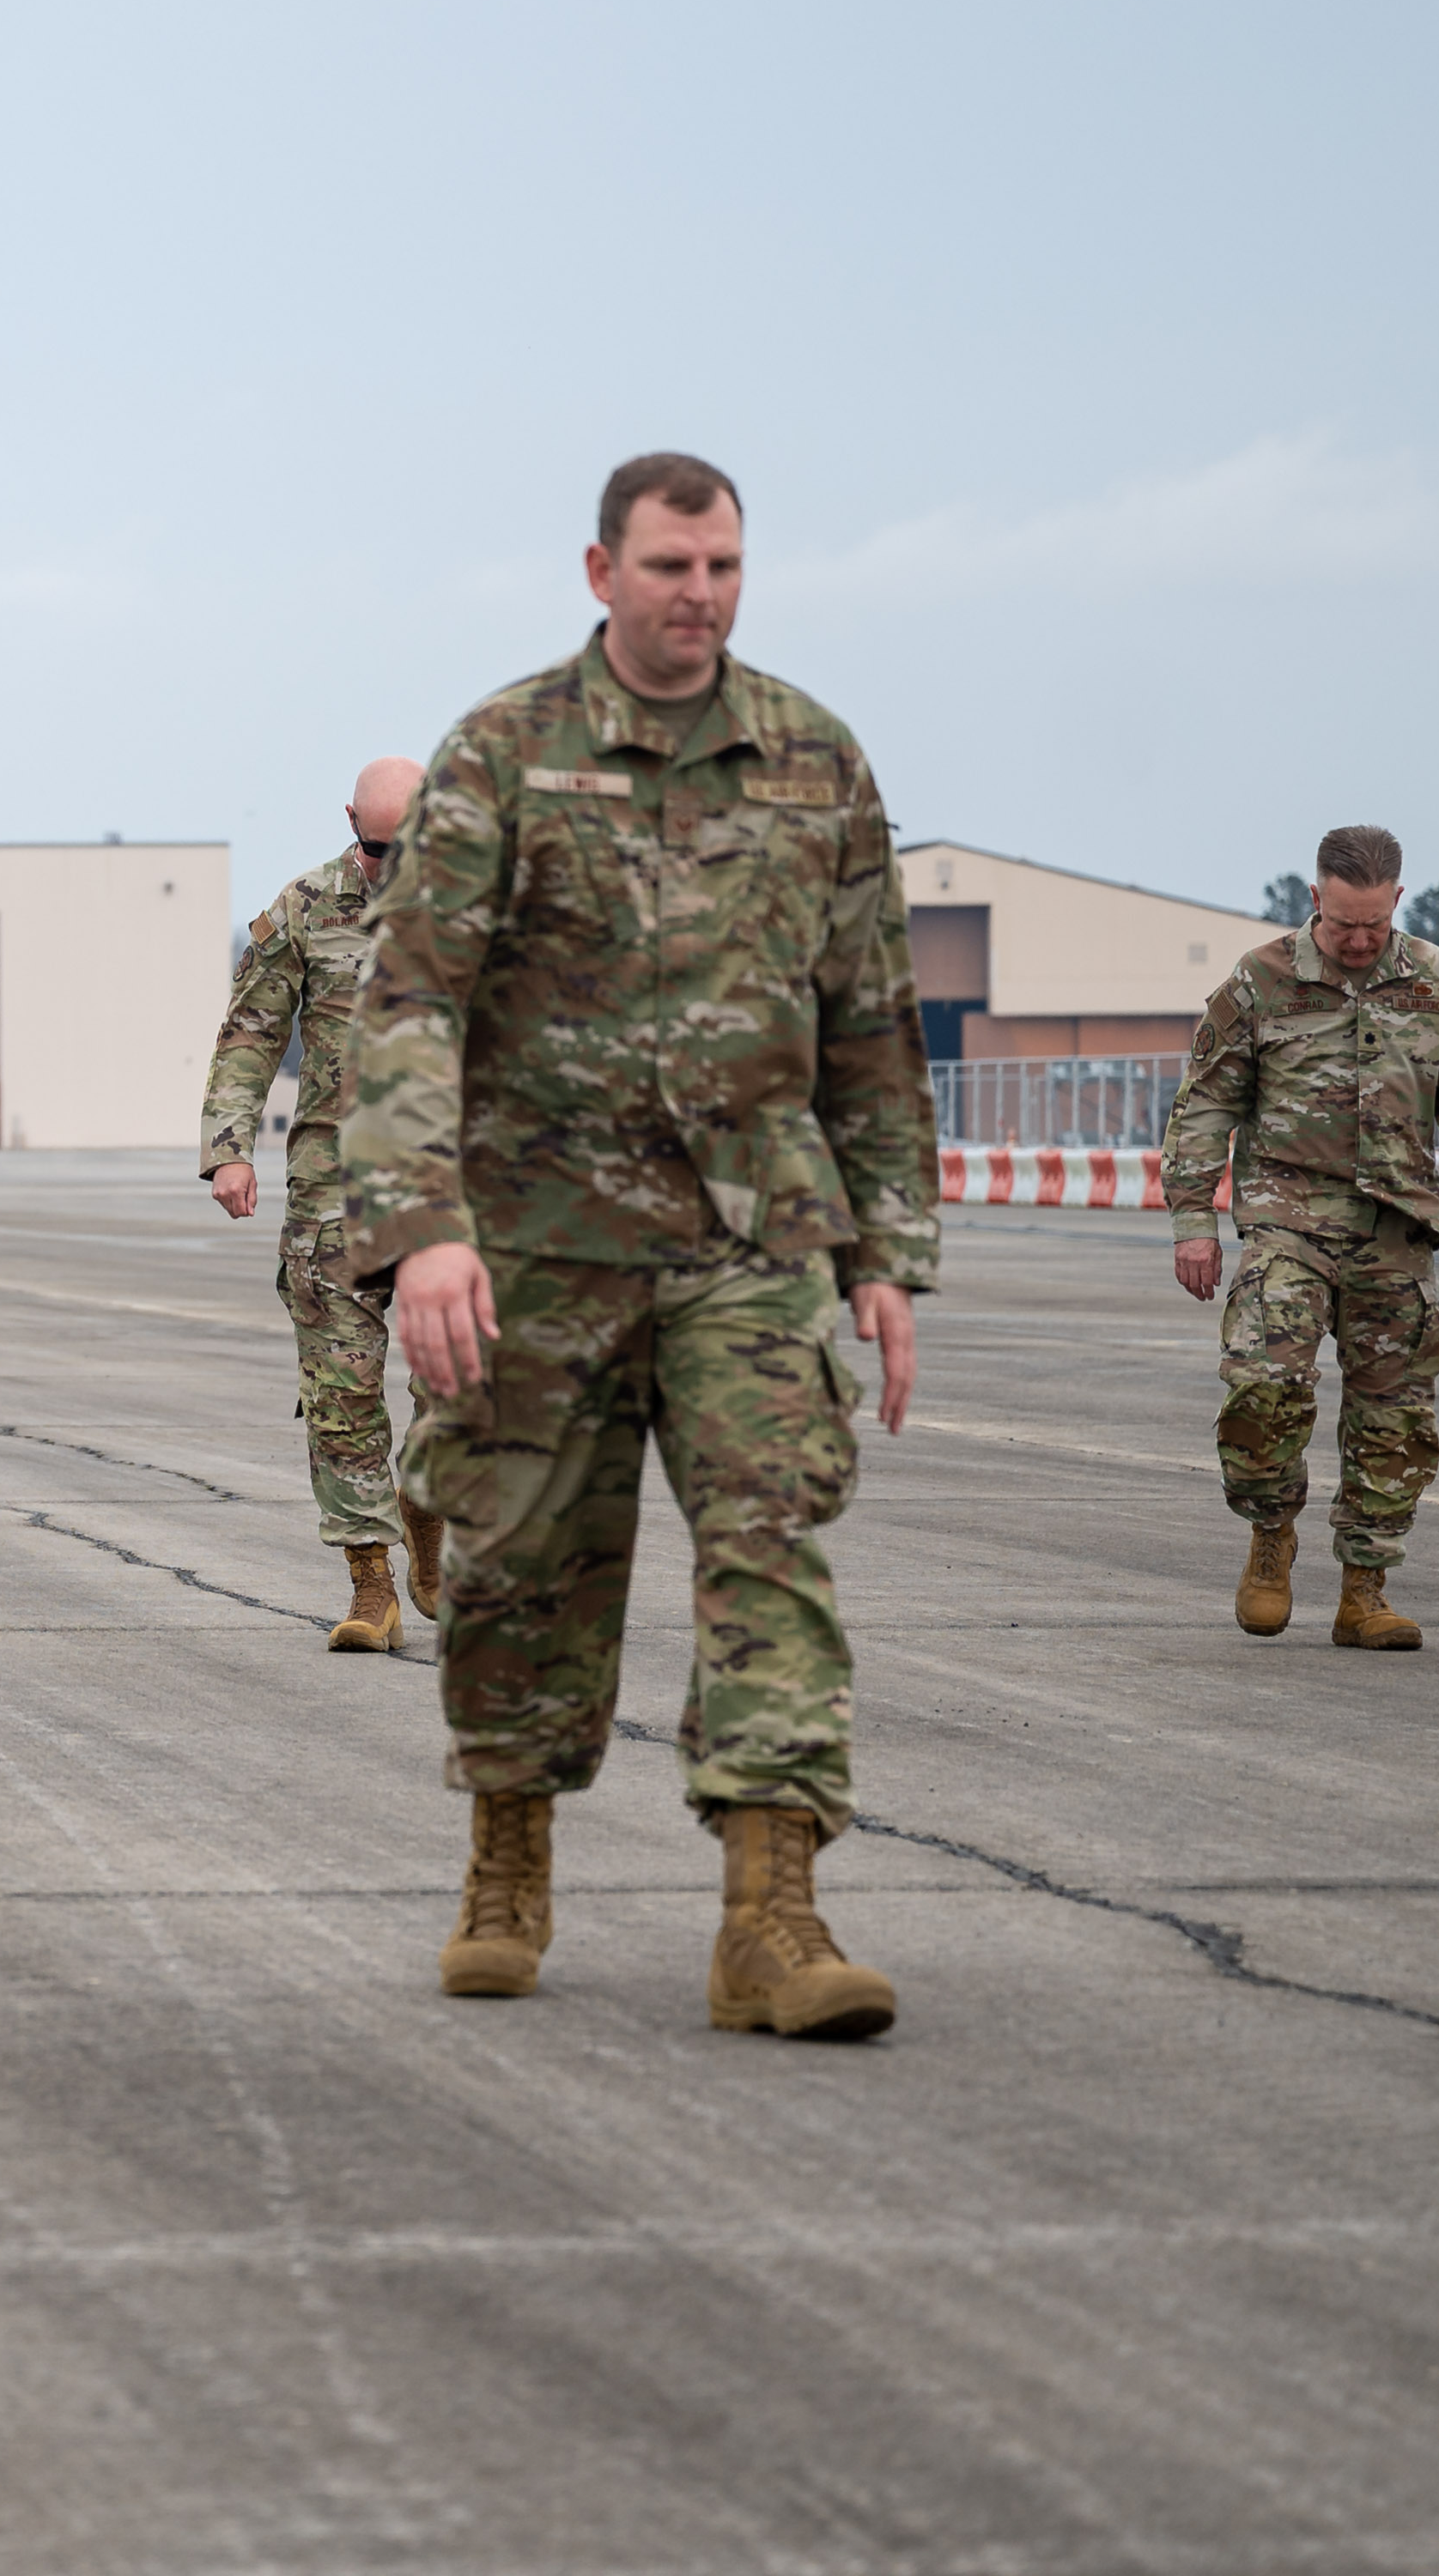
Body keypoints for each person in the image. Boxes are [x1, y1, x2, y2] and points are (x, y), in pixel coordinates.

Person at [344, 452, 938, 2041]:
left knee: (770, 1545)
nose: (701, 594)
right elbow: (411, 1001)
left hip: (753, 1240)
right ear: (601, 572)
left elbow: (871, 1025)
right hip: (539, 1243)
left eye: (723, 566)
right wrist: (424, 1230)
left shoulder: (814, 759)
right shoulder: (506, 751)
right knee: (520, 1564)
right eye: (672, 566)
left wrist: (886, 1253)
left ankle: (771, 1919)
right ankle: (506, 1859)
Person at [1163, 825, 1439, 1649]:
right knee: (1264, 1383)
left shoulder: (1436, 981)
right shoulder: (1260, 981)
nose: (1360, 941)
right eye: (1342, 925)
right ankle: (1271, 1536)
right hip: (1287, 1223)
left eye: (1374, 924)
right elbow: (1206, 1104)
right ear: (1314, 901)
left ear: (1397, 900)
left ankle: (1365, 1590)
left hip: (1395, 1232)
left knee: (1395, 1416)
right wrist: (1194, 1222)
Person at [204, 757, 442, 1651]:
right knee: (341, 1392)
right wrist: (228, 1150)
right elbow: (251, 1033)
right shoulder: (306, 907)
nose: (392, 865)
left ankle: (427, 1502)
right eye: (378, 849)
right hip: (334, 1190)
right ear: (351, 824)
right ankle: (371, 1584)